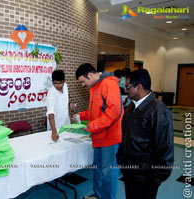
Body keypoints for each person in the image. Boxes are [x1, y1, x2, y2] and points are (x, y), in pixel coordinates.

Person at [117, 69, 174, 199]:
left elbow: (165, 151)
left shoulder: (159, 111)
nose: (125, 91)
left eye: (128, 87)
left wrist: (153, 179)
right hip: (130, 172)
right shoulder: (130, 107)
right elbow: (125, 137)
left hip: (146, 178)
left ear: (139, 87)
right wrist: (121, 161)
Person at [74, 63, 123, 199]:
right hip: (99, 137)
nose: (83, 85)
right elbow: (96, 111)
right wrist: (81, 116)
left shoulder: (109, 84)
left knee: (108, 173)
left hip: (109, 138)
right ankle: (98, 195)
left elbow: (113, 112)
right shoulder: (94, 87)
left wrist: (92, 126)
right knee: (98, 170)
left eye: (83, 81)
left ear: (90, 75)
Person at [46, 70, 76, 142]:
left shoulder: (65, 86)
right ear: (52, 81)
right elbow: (51, 114)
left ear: (64, 81)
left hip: (66, 123)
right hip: (56, 127)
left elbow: (65, 98)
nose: (58, 86)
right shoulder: (51, 93)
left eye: (60, 83)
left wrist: (70, 103)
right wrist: (54, 131)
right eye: (56, 83)